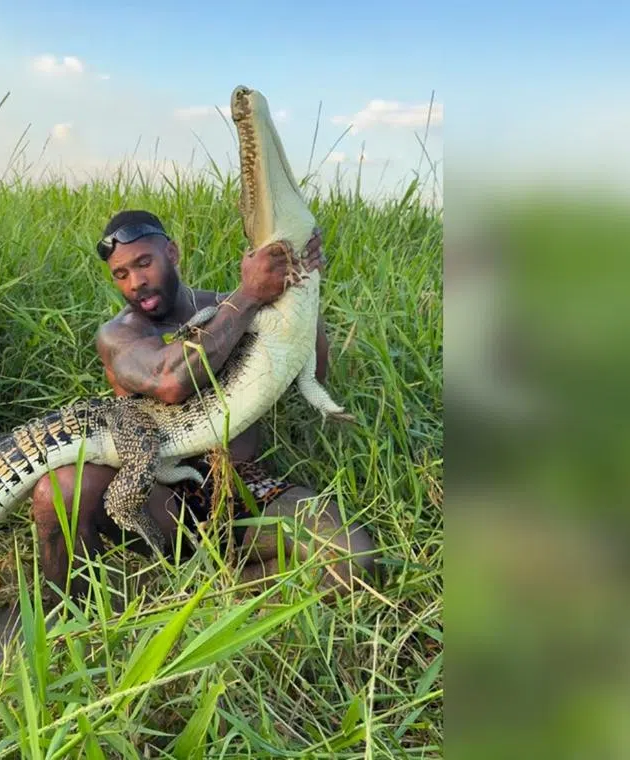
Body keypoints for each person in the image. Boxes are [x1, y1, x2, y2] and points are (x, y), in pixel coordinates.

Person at [30, 210, 377, 603]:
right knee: (57, 490)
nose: (136, 282)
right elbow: (170, 382)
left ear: (172, 253)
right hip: (164, 494)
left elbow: (317, 370)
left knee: (352, 560)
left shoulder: (235, 306)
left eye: (144, 263)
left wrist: (301, 289)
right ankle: (68, 618)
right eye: (121, 274)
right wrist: (248, 295)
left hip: (247, 487)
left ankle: (212, 596)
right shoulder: (120, 335)